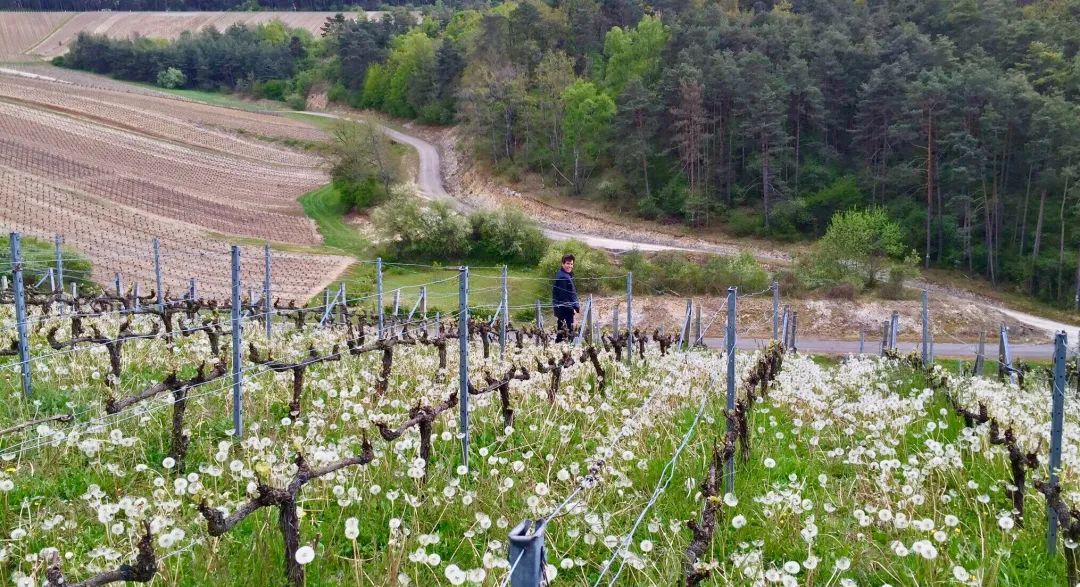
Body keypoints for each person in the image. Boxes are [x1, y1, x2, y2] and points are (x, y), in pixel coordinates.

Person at [552, 254, 579, 341]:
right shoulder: (563, 277)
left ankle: (558, 348)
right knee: (568, 331)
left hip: (562, 308)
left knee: (562, 330)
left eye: (571, 264)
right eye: (568, 263)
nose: (570, 266)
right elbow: (564, 296)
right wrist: (572, 308)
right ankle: (568, 349)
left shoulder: (566, 274)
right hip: (565, 309)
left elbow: (570, 293)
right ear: (562, 264)